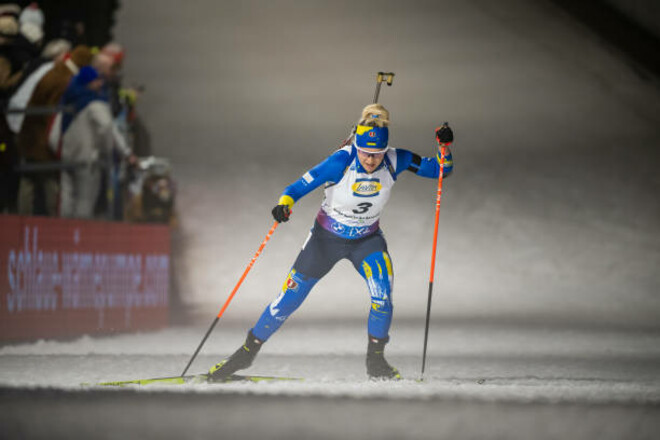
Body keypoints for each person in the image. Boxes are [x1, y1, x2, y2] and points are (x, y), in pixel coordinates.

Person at [207, 103, 454, 381]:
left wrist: (443, 147)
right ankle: (244, 355)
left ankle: (376, 363)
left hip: (367, 241)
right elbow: (296, 188)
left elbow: (440, 171)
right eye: (365, 152)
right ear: (356, 145)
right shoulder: (340, 161)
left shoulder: (397, 159)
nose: (371, 160)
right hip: (325, 241)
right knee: (289, 298)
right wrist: (284, 205)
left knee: (382, 294)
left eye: (376, 154)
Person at [58, 66, 134, 218]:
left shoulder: (68, 99)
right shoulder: (95, 103)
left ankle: (63, 233)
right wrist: (115, 150)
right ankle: (78, 237)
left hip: (67, 156)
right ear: (89, 82)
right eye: (97, 80)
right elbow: (108, 127)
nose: (100, 83)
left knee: (66, 199)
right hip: (89, 159)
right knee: (84, 202)